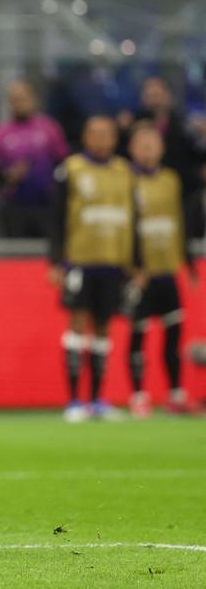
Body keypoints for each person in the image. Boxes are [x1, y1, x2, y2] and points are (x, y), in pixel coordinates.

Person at [49, 116, 141, 422]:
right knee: (77, 326)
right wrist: (56, 260)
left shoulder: (125, 171)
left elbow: (134, 219)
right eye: (95, 134)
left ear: (115, 139)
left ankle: (98, 399)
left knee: (104, 328)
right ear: (86, 137)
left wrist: (136, 262)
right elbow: (58, 216)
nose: (101, 139)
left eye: (107, 134)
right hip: (80, 261)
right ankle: (74, 401)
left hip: (113, 263)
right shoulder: (71, 169)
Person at [125, 124, 201, 416]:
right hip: (140, 273)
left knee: (173, 333)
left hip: (167, 269)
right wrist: (133, 266)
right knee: (139, 334)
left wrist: (188, 261)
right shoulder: (125, 180)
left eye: (152, 143)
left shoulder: (170, 179)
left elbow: (178, 223)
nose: (148, 149)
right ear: (132, 148)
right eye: (142, 144)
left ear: (161, 148)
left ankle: (175, 393)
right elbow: (125, 227)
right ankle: (138, 396)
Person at [0, 80, 70, 238]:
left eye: (23, 98)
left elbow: (65, 163)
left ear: (33, 99)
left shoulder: (49, 128)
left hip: (47, 206)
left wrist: (55, 186)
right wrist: (6, 176)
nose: (19, 103)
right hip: (14, 207)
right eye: (15, 99)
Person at [120, 77, 204, 201]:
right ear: (143, 98)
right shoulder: (132, 124)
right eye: (150, 95)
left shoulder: (183, 125)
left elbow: (197, 157)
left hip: (181, 190)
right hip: (139, 191)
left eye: (157, 95)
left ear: (168, 96)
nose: (154, 101)